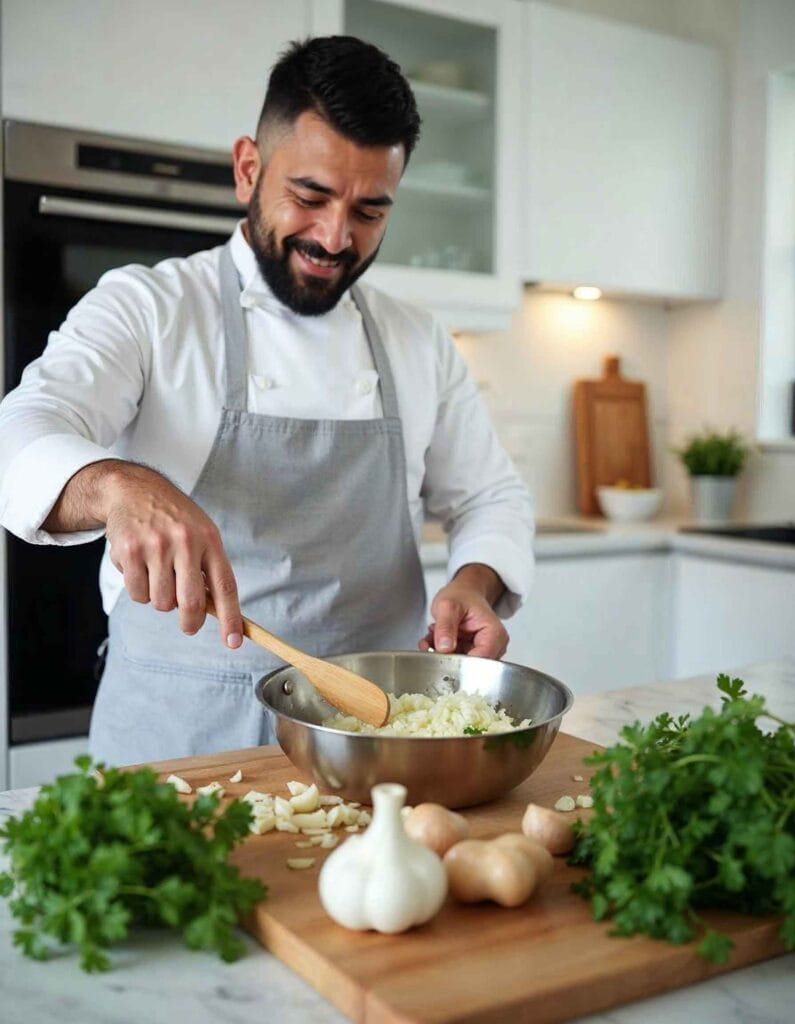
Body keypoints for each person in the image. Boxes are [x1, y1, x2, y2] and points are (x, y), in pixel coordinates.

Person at [0, 36, 534, 764]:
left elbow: (491, 495)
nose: (335, 237)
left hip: (369, 742)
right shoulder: (149, 307)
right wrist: (117, 486)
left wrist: (476, 581)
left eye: (370, 211)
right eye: (309, 197)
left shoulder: (418, 340)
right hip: (176, 742)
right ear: (248, 167)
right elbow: (20, 431)